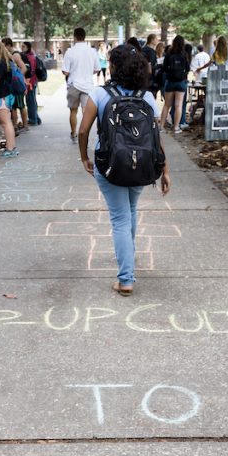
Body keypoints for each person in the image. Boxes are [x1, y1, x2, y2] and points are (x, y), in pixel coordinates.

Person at [77, 45, 170, 296]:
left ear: (114, 66)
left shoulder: (99, 93)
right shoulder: (147, 96)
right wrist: (165, 169)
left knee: (120, 218)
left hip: (110, 164)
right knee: (129, 211)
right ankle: (128, 257)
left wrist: (84, 157)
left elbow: (83, 130)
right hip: (141, 164)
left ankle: (126, 278)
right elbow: (155, 136)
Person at [62, 27, 100, 143]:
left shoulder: (70, 51)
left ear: (74, 37)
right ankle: (84, 134)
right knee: (86, 111)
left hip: (74, 84)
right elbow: (97, 69)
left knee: (73, 111)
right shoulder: (92, 51)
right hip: (88, 85)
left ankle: (74, 134)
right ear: (85, 36)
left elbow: (66, 71)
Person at [0, 39, 18, 158]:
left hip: (2, 96)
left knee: (6, 123)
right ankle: (11, 147)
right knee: (7, 123)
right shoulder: (6, 61)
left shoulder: (0, 63)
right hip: (8, 95)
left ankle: (10, 149)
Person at [159, 35, 189, 133]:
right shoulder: (184, 54)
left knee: (166, 105)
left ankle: (161, 127)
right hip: (181, 82)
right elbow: (188, 68)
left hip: (170, 81)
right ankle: (176, 127)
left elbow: (163, 68)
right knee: (178, 105)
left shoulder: (169, 53)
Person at [2, 37, 29, 134]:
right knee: (13, 106)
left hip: (16, 85)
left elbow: (24, 68)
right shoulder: (9, 55)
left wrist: (17, 78)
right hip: (13, 85)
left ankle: (24, 125)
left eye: (4, 46)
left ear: (8, 45)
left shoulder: (15, 55)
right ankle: (16, 125)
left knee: (20, 105)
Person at [20, 42, 42, 126]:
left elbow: (31, 71)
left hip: (30, 82)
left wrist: (27, 82)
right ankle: (36, 118)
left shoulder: (30, 57)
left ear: (28, 47)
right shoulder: (30, 56)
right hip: (32, 82)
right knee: (32, 100)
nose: (22, 48)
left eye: (24, 46)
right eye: (22, 46)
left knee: (30, 101)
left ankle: (33, 120)